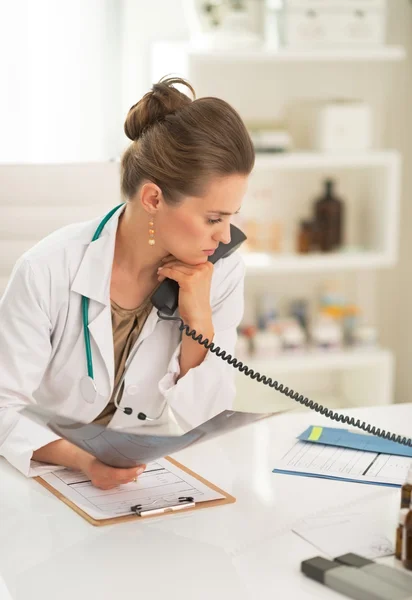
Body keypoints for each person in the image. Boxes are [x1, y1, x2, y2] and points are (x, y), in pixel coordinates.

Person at [0, 77, 254, 489]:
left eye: (231, 217)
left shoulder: (220, 273)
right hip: (44, 478)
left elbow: (207, 418)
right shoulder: (46, 269)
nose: (225, 237)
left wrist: (199, 322)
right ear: (153, 199)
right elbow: (3, 407)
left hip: (151, 481)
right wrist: (84, 461)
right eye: (213, 219)